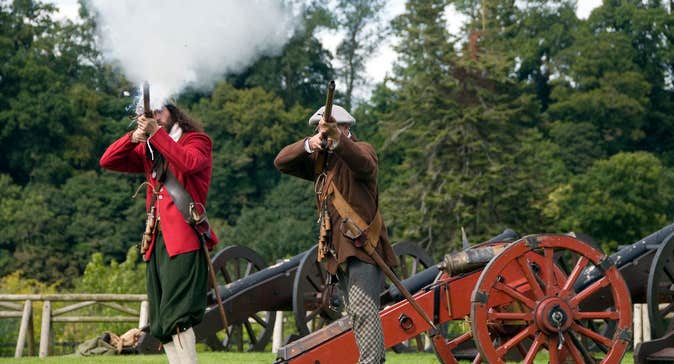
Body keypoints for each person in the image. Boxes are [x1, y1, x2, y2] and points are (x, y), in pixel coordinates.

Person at [274, 105, 397, 364]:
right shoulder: (322, 161)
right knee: (355, 314)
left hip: (364, 247)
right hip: (338, 251)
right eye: (321, 130)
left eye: (327, 129)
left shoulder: (362, 150)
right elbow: (281, 161)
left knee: (364, 311)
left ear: (344, 128)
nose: (325, 134)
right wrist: (311, 143)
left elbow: (364, 165)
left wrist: (338, 140)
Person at [100, 103, 218, 364]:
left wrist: (157, 135)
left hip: (184, 241)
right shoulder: (151, 149)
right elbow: (107, 160)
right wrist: (134, 137)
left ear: (173, 110)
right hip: (155, 241)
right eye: (150, 113)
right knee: (162, 321)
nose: (155, 117)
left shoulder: (197, 140)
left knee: (178, 316)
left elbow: (188, 164)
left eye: (159, 111)